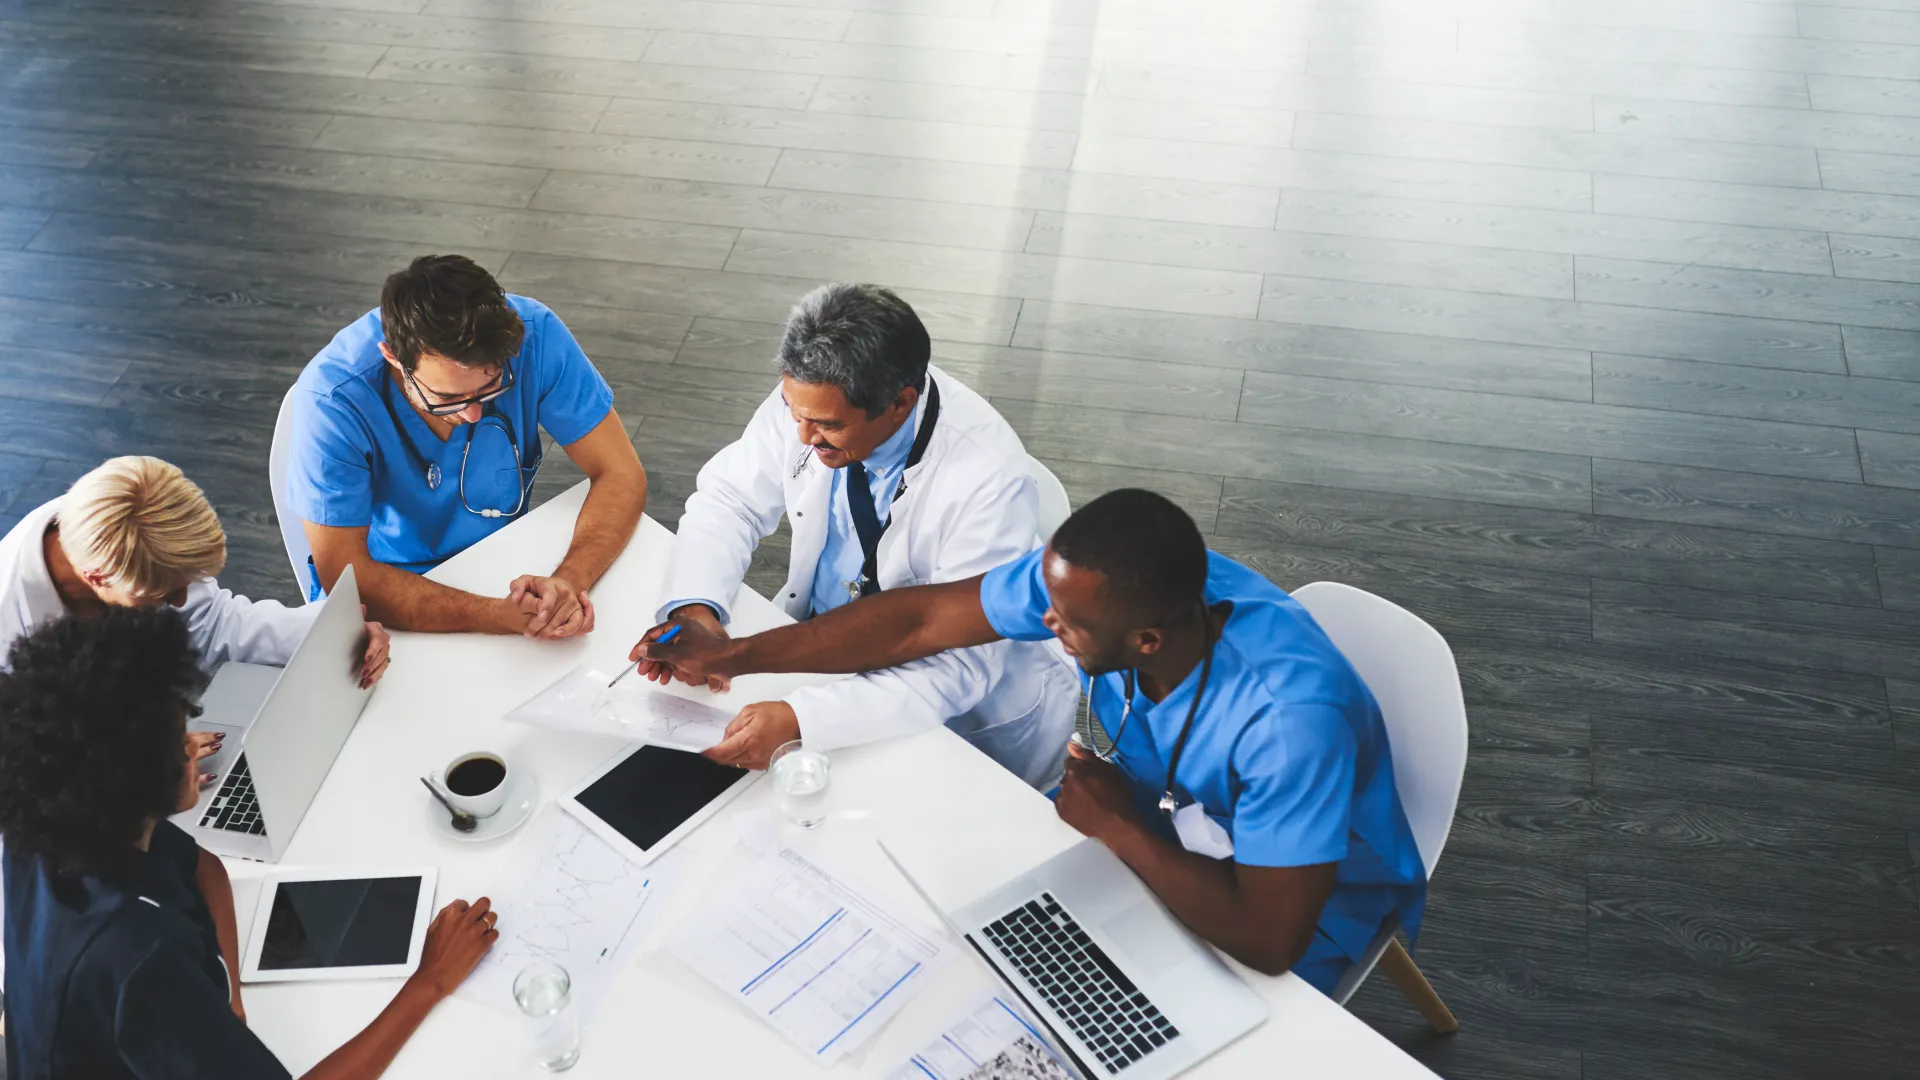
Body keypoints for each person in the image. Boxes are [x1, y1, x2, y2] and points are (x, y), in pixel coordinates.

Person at [632, 489, 1426, 992]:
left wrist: (1116, 828)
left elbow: (1271, 938)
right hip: (1153, 817)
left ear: (1147, 641)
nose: (1045, 627)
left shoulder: (1288, 726)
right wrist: (733, 654)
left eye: (1068, 626)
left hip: (1306, 898)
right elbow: (924, 618)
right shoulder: (1115, 588)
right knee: (959, 941)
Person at [0, 608, 497, 1079]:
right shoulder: (142, 956)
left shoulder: (62, 829)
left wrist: (227, 1001)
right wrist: (429, 981)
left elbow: (204, 867)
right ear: (135, 778)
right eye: (178, 742)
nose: (195, 744)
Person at [639, 284, 1077, 787]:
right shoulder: (812, 395)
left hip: (956, 711)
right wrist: (700, 608)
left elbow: (959, 661)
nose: (802, 437)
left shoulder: (989, 480)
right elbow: (729, 502)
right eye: (794, 413)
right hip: (821, 654)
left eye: (826, 425)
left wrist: (807, 720)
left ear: (899, 404)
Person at [287, 254, 646, 638]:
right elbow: (346, 578)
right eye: (447, 397)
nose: (473, 414)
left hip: (503, 567)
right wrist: (494, 616)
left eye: (491, 386)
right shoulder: (331, 402)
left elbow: (620, 473)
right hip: (386, 601)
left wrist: (570, 581)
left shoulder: (535, 336)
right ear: (393, 356)